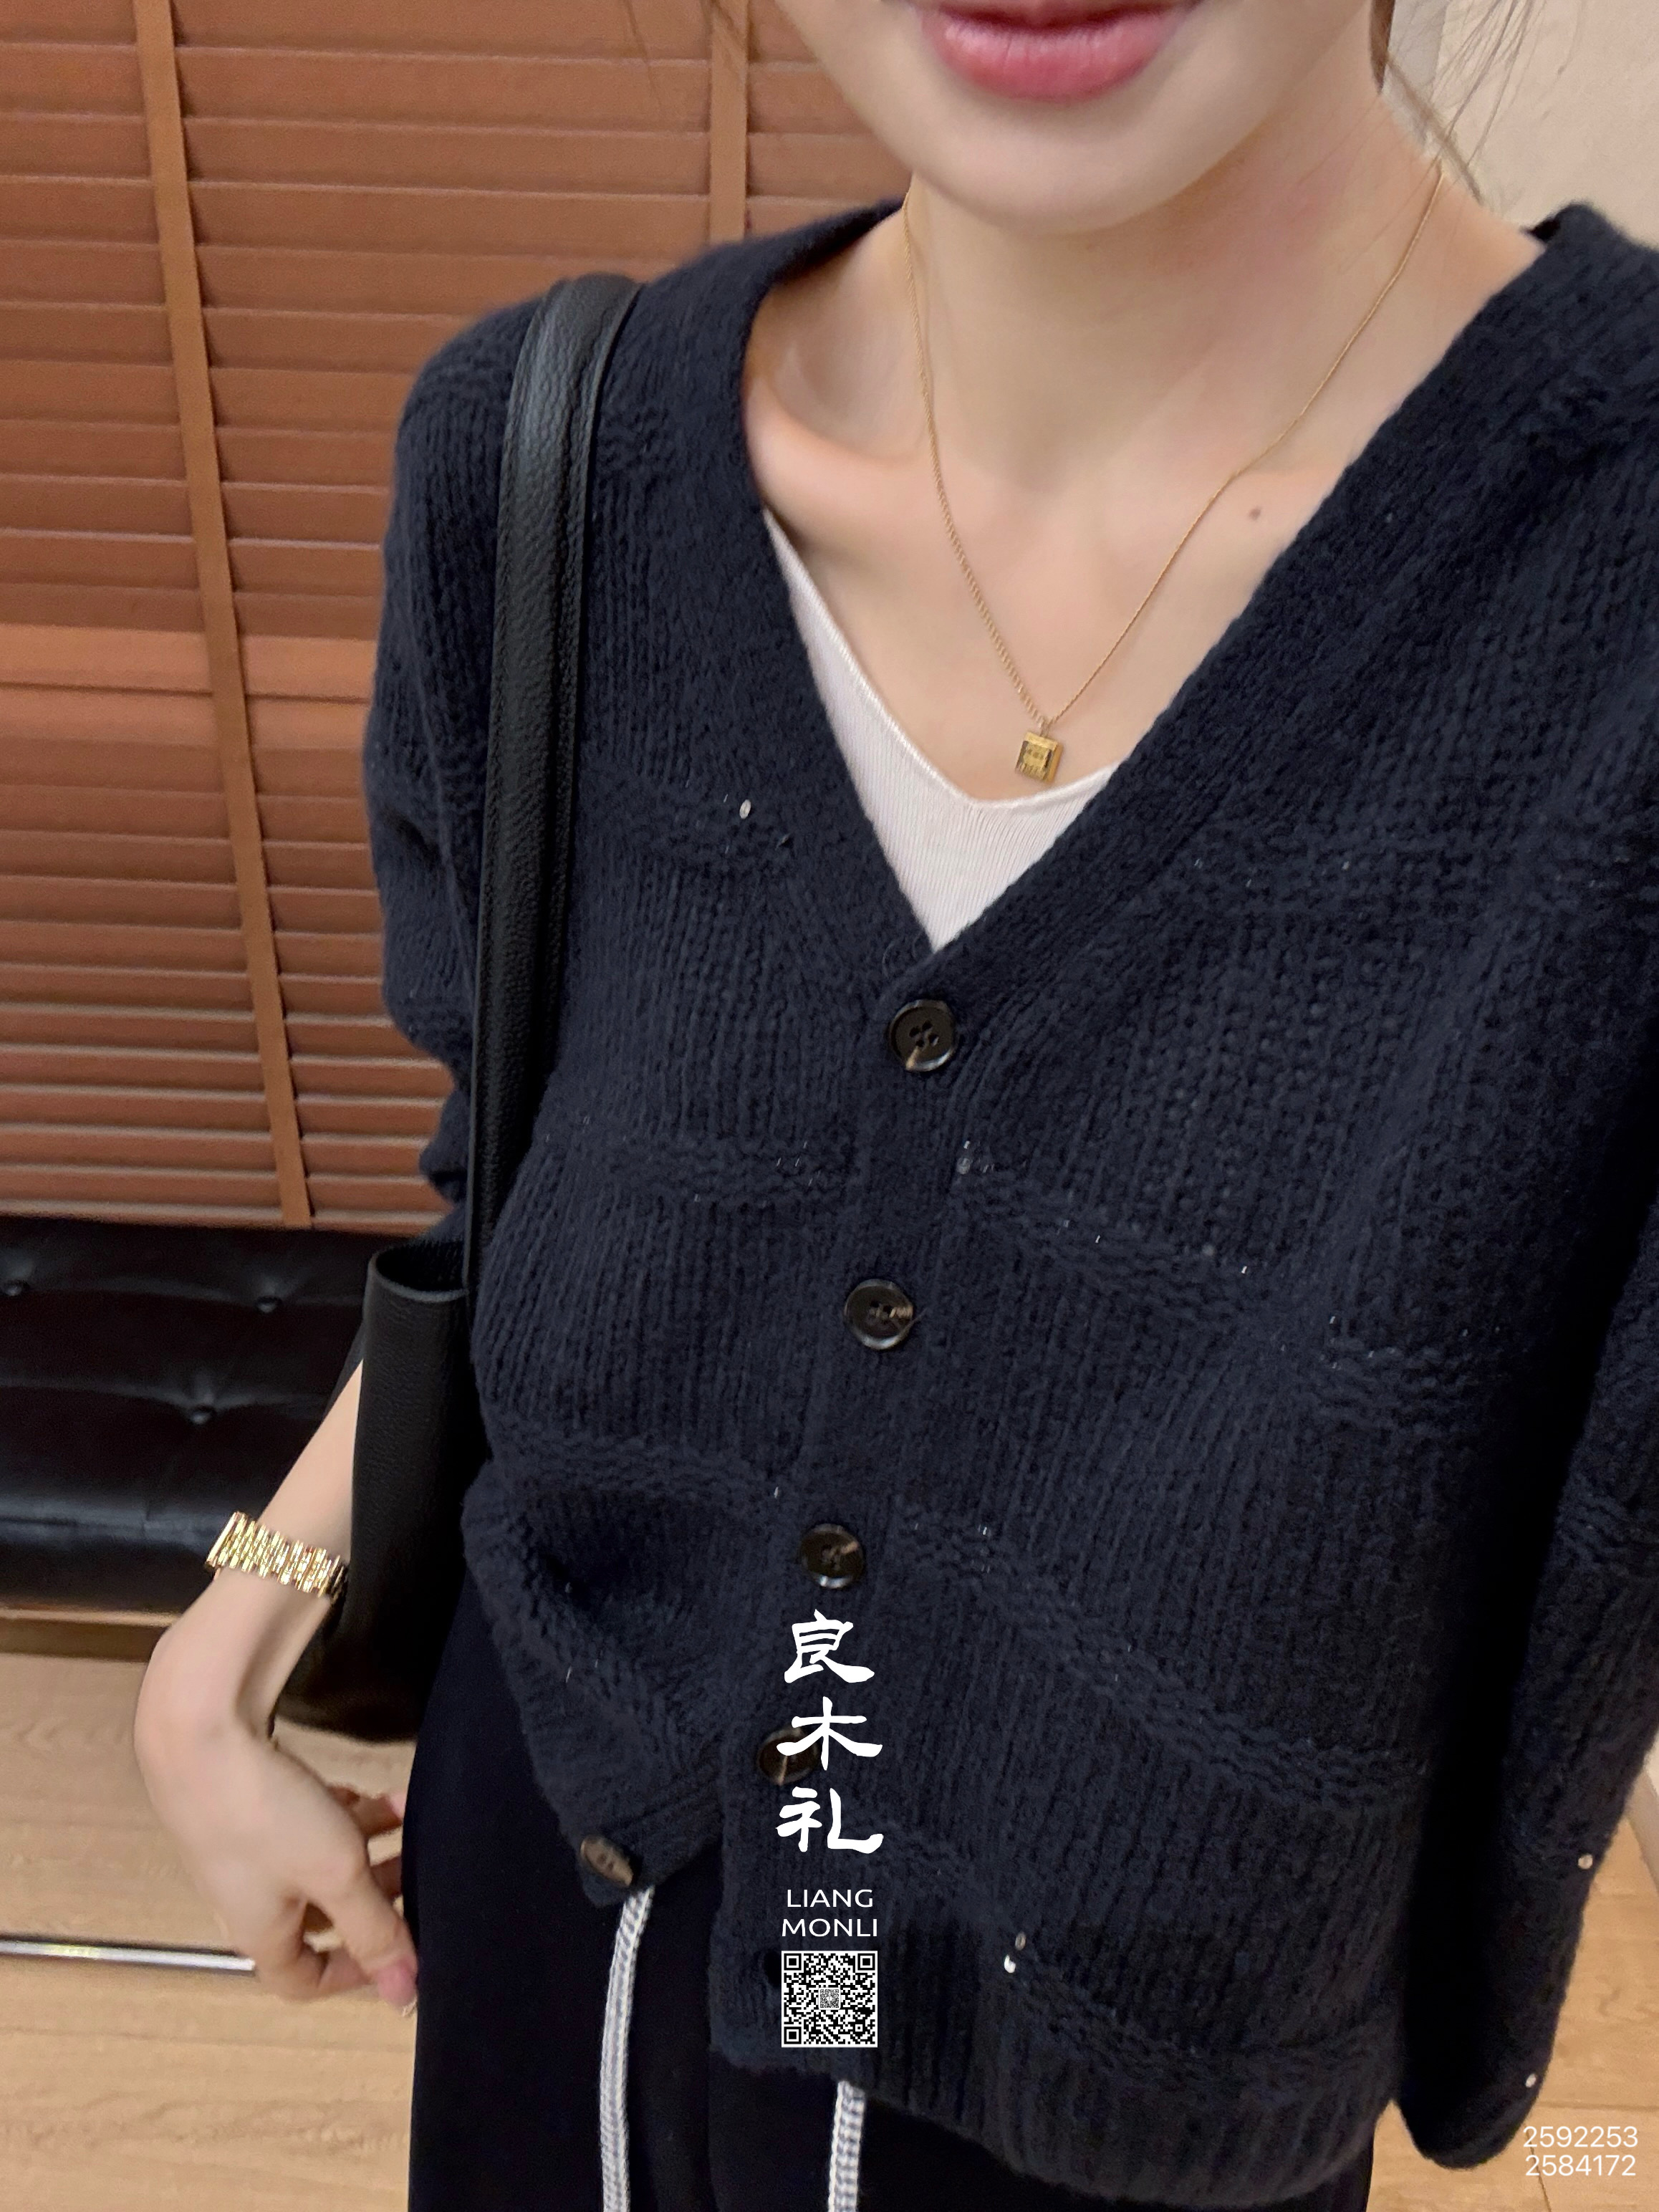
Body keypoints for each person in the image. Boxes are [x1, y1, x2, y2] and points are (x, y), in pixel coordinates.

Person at [135, 2, 1659, 2208]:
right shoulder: (538, 462)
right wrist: (237, 1619)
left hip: (1134, 2051)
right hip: (569, 1905)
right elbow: (512, 1204)